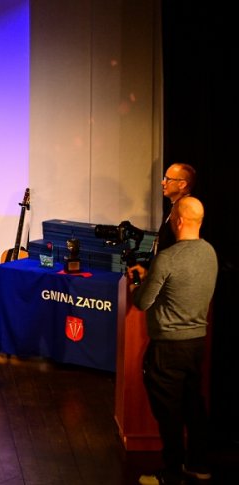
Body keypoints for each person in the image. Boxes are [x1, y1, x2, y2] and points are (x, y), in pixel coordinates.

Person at [130, 196, 217, 485]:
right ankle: (199, 465)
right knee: (193, 405)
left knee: (168, 412)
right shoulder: (210, 252)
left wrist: (139, 282)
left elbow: (142, 302)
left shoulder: (167, 258)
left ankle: (171, 473)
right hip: (196, 343)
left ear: (178, 221)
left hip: (167, 347)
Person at [155, 163, 195, 254]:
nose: (163, 182)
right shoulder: (173, 207)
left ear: (182, 184)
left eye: (167, 179)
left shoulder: (186, 212)